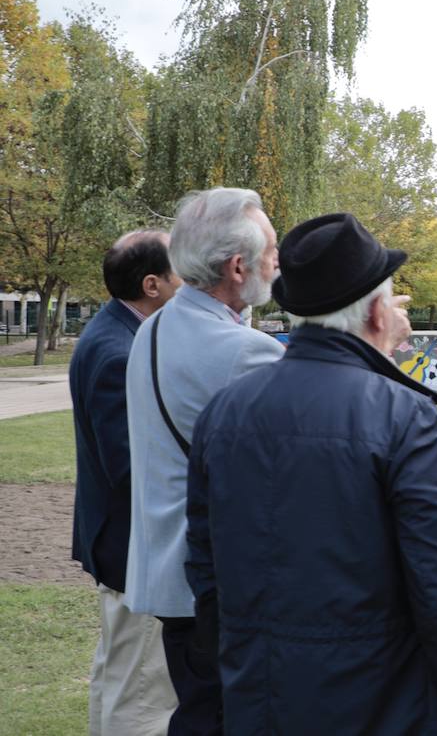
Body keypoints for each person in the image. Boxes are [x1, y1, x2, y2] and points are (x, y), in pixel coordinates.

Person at [184, 212, 437, 736]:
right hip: (381, 705)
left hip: (261, 695)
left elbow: (205, 568)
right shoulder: (404, 417)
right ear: (377, 312)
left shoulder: (225, 410)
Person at [125, 188, 285, 735]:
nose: (277, 262)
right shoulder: (246, 351)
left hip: (168, 573)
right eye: (271, 250)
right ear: (238, 267)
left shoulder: (155, 325)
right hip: (217, 582)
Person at [70, 230, 181, 734]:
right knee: (142, 696)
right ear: (152, 284)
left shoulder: (116, 333)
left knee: (119, 677)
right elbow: (131, 469)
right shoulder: (120, 351)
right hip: (136, 551)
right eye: (182, 272)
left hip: (122, 545)